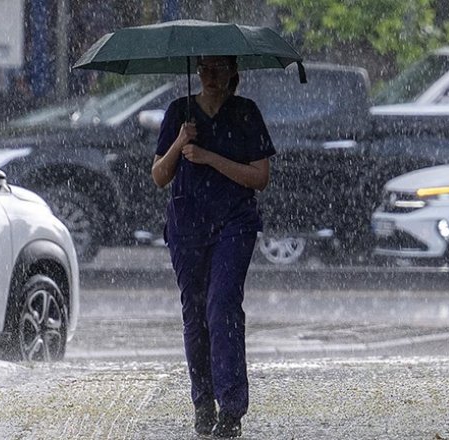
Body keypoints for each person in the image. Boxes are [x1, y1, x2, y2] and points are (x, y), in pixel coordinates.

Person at [151, 55, 274, 438]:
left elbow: (259, 177)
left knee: (222, 305)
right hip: (187, 225)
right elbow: (159, 176)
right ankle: (202, 402)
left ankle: (231, 408)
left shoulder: (245, 113)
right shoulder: (179, 113)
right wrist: (180, 142)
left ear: (233, 73)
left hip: (234, 225)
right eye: (204, 67)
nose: (210, 75)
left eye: (219, 68)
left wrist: (208, 157)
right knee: (195, 313)